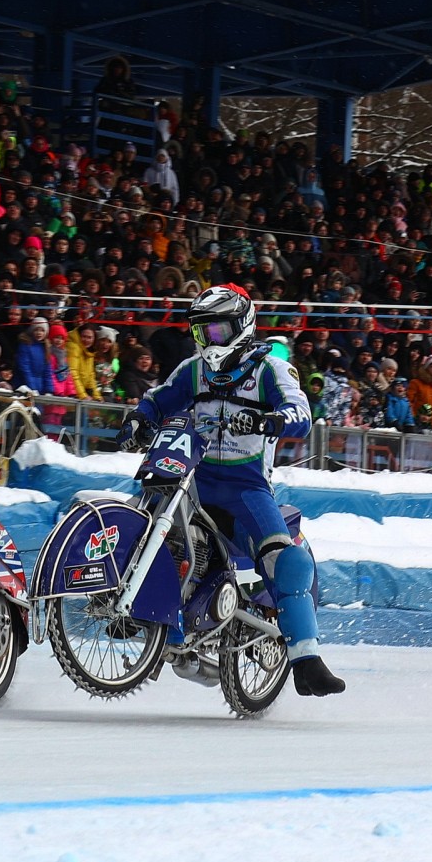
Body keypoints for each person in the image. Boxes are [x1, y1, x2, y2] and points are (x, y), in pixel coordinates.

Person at [117, 285, 344, 697]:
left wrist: (270, 421)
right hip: (191, 478)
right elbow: (160, 398)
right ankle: (140, 609)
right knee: (142, 519)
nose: (209, 341)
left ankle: (307, 660)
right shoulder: (192, 370)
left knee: (287, 559)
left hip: (247, 489)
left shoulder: (271, 370)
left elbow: (300, 413)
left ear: (242, 326)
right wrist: (139, 418)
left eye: (217, 331)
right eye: (201, 332)